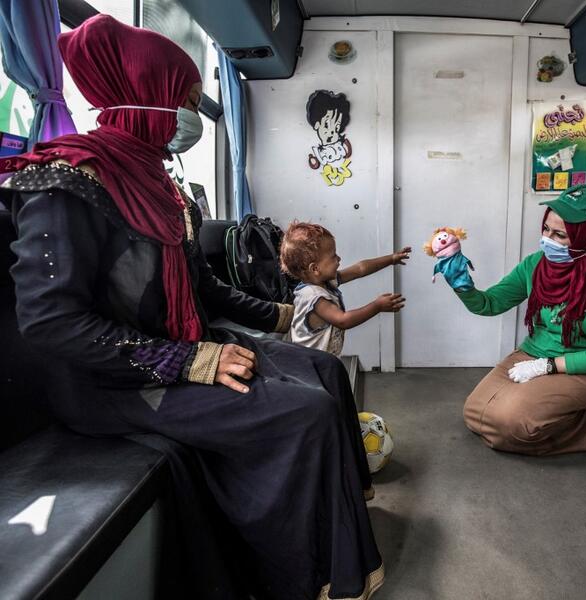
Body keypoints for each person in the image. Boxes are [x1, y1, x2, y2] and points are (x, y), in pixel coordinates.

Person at [1, 15, 382, 600]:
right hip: (114, 381)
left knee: (326, 369)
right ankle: (303, 574)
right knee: (301, 413)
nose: (186, 114)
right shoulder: (65, 182)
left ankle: (341, 523)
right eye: (180, 98)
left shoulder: (160, 184)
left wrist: (278, 318)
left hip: (182, 343)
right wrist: (189, 362)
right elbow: (53, 324)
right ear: (142, 98)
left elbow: (201, 286)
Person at [446, 184, 586, 456]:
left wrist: (547, 367)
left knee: (511, 426)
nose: (548, 240)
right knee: (476, 414)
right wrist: (461, 284)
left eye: (560, 235)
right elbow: (490, 303)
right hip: (533, 354)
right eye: (546, 229)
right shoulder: (536, 264)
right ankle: (537, 408)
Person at [280, 221, 409, 355]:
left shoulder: (323, 282)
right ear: (315, 268)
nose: (339, 258)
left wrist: (391, 258)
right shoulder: (313, 296)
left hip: (322, 362)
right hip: (311, 367)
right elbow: (343, 320)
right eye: (333, 256)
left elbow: (360, 269)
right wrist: (377, 306)